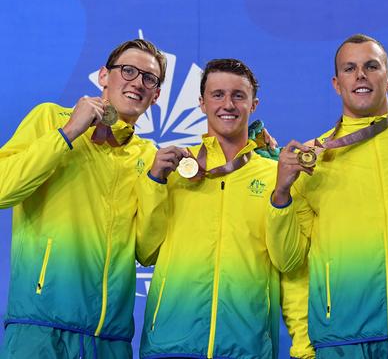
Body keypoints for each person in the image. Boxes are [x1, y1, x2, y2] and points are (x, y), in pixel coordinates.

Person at [267, 34, 388, 358]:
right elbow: (289, 262)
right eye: (350, 68)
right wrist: (281, 194)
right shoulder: (312, 159)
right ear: (337, 83)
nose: (360, 75)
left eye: (371, 66)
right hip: (337, 340)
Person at [137, 58, 313, 359]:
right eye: (217, 94)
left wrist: (281, 193)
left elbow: (289, 263)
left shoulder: (275, 176)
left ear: (253, 105)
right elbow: (146, 251)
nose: (227, 104)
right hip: (170, 345)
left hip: (247, 349)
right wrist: (155, 182)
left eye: (238, 95)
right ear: (202, 103)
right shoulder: (174, 170)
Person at [0, 39, 166, 358]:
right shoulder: (50, 118)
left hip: (110, 339)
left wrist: (156, 181)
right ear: (103, 76)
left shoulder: (148, 157)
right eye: (128, 71)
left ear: (156, 95)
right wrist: (67, 134)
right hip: (38, 328)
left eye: (149, 78)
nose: (137, 82)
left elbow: (147, 252)